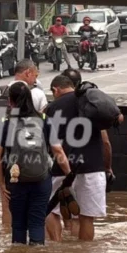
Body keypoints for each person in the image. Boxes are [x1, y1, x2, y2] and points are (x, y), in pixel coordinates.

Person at [0, 82, 72, 245]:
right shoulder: (44, 119)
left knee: (18, 225)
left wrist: (1, 184)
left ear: (10, 102)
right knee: (37, 221)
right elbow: (58, 150)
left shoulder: (5, 121)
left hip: (15, 180)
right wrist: (69, 175)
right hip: (41, 178)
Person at [0, 59, 48, 227]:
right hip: (33, 159)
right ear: (28, 73)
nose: (36, 79)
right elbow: (45, 129)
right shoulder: (38, 94)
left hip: (3, 156)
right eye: (35, 75)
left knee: (6, 203)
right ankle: (35, 246)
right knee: (37, 207)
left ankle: (9, 243)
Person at [44, 74, 112, 241]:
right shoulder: (92, 103)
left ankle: (57, 251)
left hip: (64, 167)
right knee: (86, 218)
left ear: (56, 89)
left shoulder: (54, 107)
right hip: (93, 167)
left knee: (51, 211)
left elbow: (53, 144)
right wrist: (107, 167)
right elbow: (105, 142)